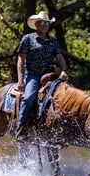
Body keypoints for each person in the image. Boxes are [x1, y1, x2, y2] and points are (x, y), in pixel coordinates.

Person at [15, 10, 69, 140]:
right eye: (42, 22)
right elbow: (21, 59)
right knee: (28, 98)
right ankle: (20, 128)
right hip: (33, 75)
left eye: (47, 23)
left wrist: (63, 70)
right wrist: (21, 80)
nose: (45, 25)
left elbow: (60, 57)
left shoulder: (53, 41)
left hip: (49, 75)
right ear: (37, 24)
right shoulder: (28, 39)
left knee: (66, 95)